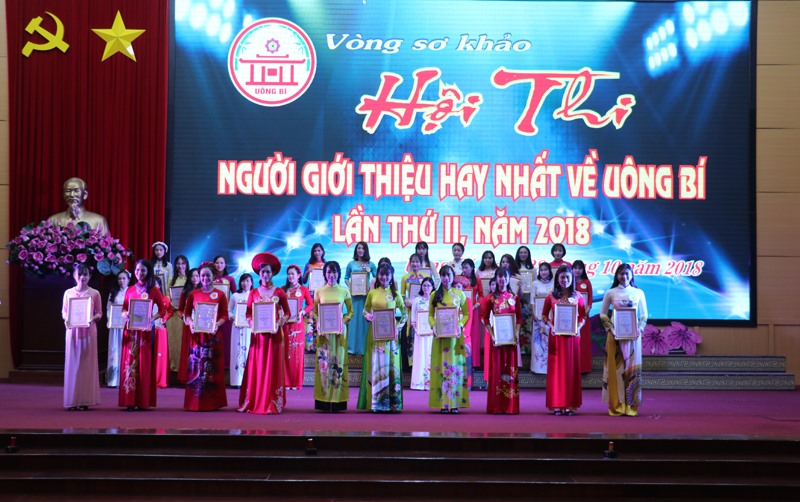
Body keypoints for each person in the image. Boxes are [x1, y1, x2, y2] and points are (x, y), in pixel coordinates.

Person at [238, 253, 291, 414]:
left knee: (272, 368)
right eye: (263, 272)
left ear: (273, 273)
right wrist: (252, 323)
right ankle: (254, 401)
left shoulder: (279, 292)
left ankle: (271, 402)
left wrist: (279, 323)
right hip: (258, 338)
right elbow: (248, 313)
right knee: (258, 368)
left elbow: (287, 313)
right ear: (259, 274)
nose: (265, 275)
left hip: (274, 337)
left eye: (268, 272)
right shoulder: (254, 292)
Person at [119, 259, 169, 410]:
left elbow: (163, 310)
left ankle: (142, 401)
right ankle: (129, 400)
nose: (139, 273)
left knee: (143, 364)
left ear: (148, 272)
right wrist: (125, 314)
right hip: (130, 332)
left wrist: (151, 319)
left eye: (143, 270)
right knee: (129, 364)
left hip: (145, 333)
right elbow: (123, 309)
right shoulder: (130, 290)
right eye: (137, 270)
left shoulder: (154, 290)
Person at [358, 263, 408, 412]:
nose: (384, 277)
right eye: (381, 274)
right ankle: (377, 403)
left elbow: (405, 313)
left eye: (387, 274)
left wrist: (398, 328)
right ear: (378, 276)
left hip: (391, 337)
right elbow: (365, 310)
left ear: (391, 276)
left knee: (391, 366)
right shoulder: (372, 293)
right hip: (375, 335)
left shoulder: (396, 294)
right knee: (376, 365)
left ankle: (392, 403)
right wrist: (368, 316)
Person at [600, 263, 648, 417]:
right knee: (616, 370)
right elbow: (603, 314)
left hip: (634, 337)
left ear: (632, 275)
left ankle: (631, 406)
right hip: (614, 336)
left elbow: (644, 315)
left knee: (632, 370)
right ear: (616, 275)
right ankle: (617, 406)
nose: (624, 276)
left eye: (627, 273)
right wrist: (611, 328)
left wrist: (640, 328)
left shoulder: (638, 292)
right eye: (621, 273)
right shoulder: (611, 292)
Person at [183, 262, 229, 411]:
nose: (205, 278)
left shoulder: (220, 295)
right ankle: (195, 402)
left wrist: (217, 324)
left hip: (213, 336)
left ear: (214, 276)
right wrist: (190, 323)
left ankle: (213, 403)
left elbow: (224, 315)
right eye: (202, 275)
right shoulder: (193, 294)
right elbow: (186, 314)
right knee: (197, 367)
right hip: (197, 336)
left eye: (208, 275)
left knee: (211, 368)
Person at [542, 265, 587, 416]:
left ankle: (570, 404)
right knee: (556, 371)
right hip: (556, 338)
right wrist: (552, 326)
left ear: (572, 279)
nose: (565, 280)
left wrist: (578, 327)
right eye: (562, 277)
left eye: (568, 277)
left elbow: (583, 315)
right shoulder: (551, 296)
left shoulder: (578, 296)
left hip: (572, 339)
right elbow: (544, 315)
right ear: (557, 279)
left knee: (570, 370)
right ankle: (557, 404)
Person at [428, 265, 470, 414]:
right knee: (441, 367)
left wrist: (460, 325)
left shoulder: (459, 294)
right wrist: (433, 326)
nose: (446, 278)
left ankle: (454, 403)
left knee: (454, 368)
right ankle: (443, 403)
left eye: (448, 275)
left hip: (455, 338)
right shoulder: (435, 295)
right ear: (440, 277)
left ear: (453, 277)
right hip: (440, 337)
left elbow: (466, 314)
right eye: (443, 275)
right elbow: (430, 315)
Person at [313, 261, 354, 412]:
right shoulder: (319, 291)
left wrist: (343, 321)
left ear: (338, 273)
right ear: (325, 274)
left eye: (334, 272)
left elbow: (351, 312)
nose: (332, 275)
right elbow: (315, 312)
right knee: (324, 365)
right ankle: (323, 401)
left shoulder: (344, 291)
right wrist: (318, 322)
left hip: (339, 334)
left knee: (338, 364)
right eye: (329, 272)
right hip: (324, 335)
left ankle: (337, 401)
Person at [479, 267, 521, 414]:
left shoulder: (514, 297)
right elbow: (485, 318)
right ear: (496, 279)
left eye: (505, 276)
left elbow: (519, 318)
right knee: (497, 372)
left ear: (509, 279)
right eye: (500, 277)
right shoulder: (490, 298)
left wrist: (516, 332)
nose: (502, 279)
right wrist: (492, 335)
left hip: (510, 341)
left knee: (510, 372)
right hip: (496, 341)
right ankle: (496, 406)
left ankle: (510, 406)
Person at [62, 263, 103, 410]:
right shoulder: (68, 293)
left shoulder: (95, 293)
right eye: (79, 274)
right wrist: (67, 319)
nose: (82, 277)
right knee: (72, 364)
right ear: (74, 276)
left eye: (85, 274)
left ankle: (85, 400)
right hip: (73, 331)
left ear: (89, 276)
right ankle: (72, 400)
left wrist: (92, 318)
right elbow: (64, 312)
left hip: (88, 331)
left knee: (86, 364)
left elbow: (99, 313)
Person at [282, 264, 313, 389]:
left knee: (297, 354)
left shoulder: (304, 290)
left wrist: (303, 312)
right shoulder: (283, 289)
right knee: (286, 352)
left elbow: (310, 304)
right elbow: (278, 305)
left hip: (298, 325)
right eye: (289, 274)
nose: (290, 276)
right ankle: (286, 382)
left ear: (299, 275)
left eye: (292, 274)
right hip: (285, 325)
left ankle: (296, 382)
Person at [344, 241, 377, 355]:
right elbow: (346, 278)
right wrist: (351, 286)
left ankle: (364, 348)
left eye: (363, 248)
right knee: (354, 321)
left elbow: (376, 278)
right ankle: (352, 348)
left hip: (366, 297)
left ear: (366, 250)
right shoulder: (351, 264)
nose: (360, 250)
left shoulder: (371, 264)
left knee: (364, 321)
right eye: (358, 248)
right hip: (354, 297)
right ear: (356, 250)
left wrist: (370, 288)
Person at [400, 253, 430, 370]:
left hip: (424, 310)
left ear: (421, 263)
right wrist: (405, 300)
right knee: (411, 333)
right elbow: (402, 294)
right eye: (413, 261)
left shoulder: (426, 276)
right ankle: (413, 363)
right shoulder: (405, 277)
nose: (415, 264)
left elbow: (431, 291)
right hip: (410, 309)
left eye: (417, 261)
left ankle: (426, 362)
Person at [166, 255, 189, 382]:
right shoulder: (171, 279)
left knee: (183, 342)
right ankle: (173, 371)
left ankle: (184, 371)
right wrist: (172, 304)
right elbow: (166, 296)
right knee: (173, 342)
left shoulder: (189, 279)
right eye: (178, 263)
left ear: (186, 265)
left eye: (183, 263)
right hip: (173, 315)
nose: (180, 266)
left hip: (184, 315)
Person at [409, 277, 435, 390]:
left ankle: (430, 383)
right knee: (420, 356)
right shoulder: (416, 300)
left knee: (430, 355)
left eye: (428, 285)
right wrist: (417, 329)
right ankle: (418, 383)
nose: (426, 288)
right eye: (424, 285)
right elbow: (413, 318)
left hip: (432, 333)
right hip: (419, 333)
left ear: (433, 287)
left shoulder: (435, 301)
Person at [105, 269, 130, 387]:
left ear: (128, 280)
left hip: (126, 325)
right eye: (119, 278)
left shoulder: (131, 291)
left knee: (126, 350)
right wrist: (110, 320)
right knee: (114, 350)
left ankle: (126, 378)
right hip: (115, 326)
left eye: (124, 278)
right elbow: (109, 308)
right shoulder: (113, 292)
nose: (121, 281)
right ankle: (113, 380)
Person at [229, 273, 254, 387]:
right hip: (237, 327)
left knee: (248, 350)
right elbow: (228, 310)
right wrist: (234, 318)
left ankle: (248, 381)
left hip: (249, 327)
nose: (245, 283)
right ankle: (236, 381)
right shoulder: (235, 295)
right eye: (243, 281)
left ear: (251, 283)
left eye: (248, 281)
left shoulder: (254, 295)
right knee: (236, 351)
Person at [212, 255, 236, 374]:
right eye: (217, 262)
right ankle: (212, 364)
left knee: (226, 340)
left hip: (224, 315)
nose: (219, 265)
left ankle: (226, 365)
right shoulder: (210, 278)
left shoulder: (230, 279)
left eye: (221, 263)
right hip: (212, 314)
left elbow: (235, 295)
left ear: (225, 265)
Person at [177, 268, 200, 384]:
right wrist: (184, 317)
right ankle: (186, 376)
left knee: (199, 348)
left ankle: (199, 375)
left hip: (201, 324)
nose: (195, 278)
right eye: (192, 276)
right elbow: (180, 310)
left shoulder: (204, 291)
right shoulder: (185, 292)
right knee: (188, 349)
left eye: (197, 276)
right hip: (188, 324)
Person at [460, 258, 484, 370]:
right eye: (463, 267)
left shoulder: (477, 280)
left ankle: (473, 363)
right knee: (462, 334)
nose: (464, 270)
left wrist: (476, 305)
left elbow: (481, 296)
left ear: (472, 267)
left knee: (473, 337)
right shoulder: (458, 280)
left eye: (466, 267)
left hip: (473, 311)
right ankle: (461, 360)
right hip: (460, 311)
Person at [302, 243, 326, 353]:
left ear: (323, 252)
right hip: (310, 295)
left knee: (320, 319)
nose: (317, 252)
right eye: (315, 251)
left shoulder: (326, 264)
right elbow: (303, 281)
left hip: (322, 295)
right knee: (310, 320)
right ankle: (309, 346)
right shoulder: (308, 264)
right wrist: (308, 272)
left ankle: (320, 344)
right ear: (312, 252)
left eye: (319, 250)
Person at [531, 262, 554, 374]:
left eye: (546, 270)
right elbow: (532, 301)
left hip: (550, 318)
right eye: (541, 270)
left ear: (549, 271)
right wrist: (534, 314)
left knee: (548, 341)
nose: (543, 272)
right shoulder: (535, 283)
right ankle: (537, 368)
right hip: (538, 318)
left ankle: (549, 367)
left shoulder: (554, 283)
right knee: (538, 342)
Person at [572, 260, 594, 374]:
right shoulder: (569, 282)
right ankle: (572, 367)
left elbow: (590, 299)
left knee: (584, 342)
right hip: (571, 317)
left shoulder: (587, 282)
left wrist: (585, 312)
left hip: (584, 317)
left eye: (579, 268)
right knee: (573, 342)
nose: (577, 270)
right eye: (575, 268)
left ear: (583, 270)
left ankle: (584, 367)